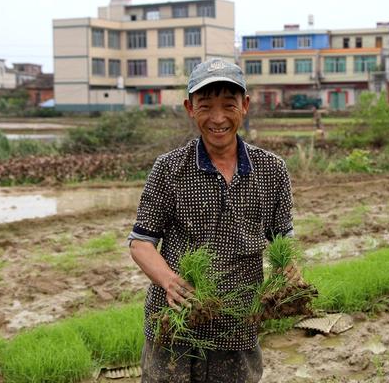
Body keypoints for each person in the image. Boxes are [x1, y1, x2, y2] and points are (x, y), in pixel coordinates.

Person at [128, 58, 299, 383]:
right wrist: (169, 281)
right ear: (190, 108)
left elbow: (283, 237)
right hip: (175, 322)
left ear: (245, 106)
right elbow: (141, 242)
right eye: (206, 106)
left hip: (238, 325)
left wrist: (287, 269)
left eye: (228, 105)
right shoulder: (169, 169)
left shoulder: (272, 170)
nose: (218, 118)